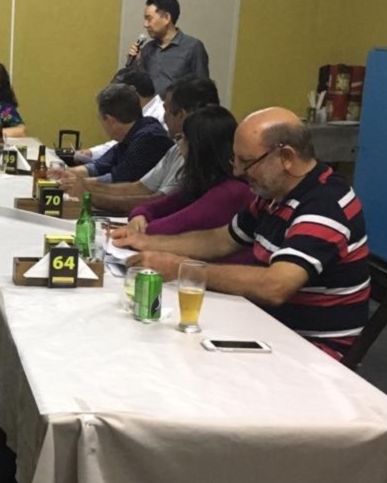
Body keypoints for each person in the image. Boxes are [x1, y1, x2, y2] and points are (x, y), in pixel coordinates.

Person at [123, 107, 369, 359]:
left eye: (247, 162)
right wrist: (147, 242)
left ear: (286, 157)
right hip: (271, 328)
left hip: (313, 351)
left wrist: (181, 268)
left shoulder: (324, 205)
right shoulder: (274, 196)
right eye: (235, 160)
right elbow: (220, 240)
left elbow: (276, 286)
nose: (237, 172)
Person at [54, 76, 219, 214]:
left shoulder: (157, 140)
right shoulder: (176, 148)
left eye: (167, 110)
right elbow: (140, 187)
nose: (164, 117)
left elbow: (160, 202)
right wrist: (80, 184)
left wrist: (89, 194)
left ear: (182, 115)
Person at [115, 105, 253, 260]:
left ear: (196, 147)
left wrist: (139, 227)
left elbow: (162, 231)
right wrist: (139, 216)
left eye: (182, 138)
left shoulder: (230, 192)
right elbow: (150, 207)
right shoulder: (204, 183)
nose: (178, 144)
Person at [80, 84, 173, 185]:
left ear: (110, 121)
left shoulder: (148, 138)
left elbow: (117, 181)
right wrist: (68, 173)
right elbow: (97, 168)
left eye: (100, 119)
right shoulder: (130, 136)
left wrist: (79, 183)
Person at [126, 0, 210, 96]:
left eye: (149, 19)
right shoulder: (147, 49)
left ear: (166, 18)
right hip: (149, 106)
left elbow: (203, 89)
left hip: (178, 106)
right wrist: (135, 64)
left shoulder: (193, 47)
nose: (145, 24)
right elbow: (138, 87)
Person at [75, 66, 163, 162]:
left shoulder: (161, 116)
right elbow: (120, 144)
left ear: (132, 91)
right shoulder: (139, 113)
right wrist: (91, 152)